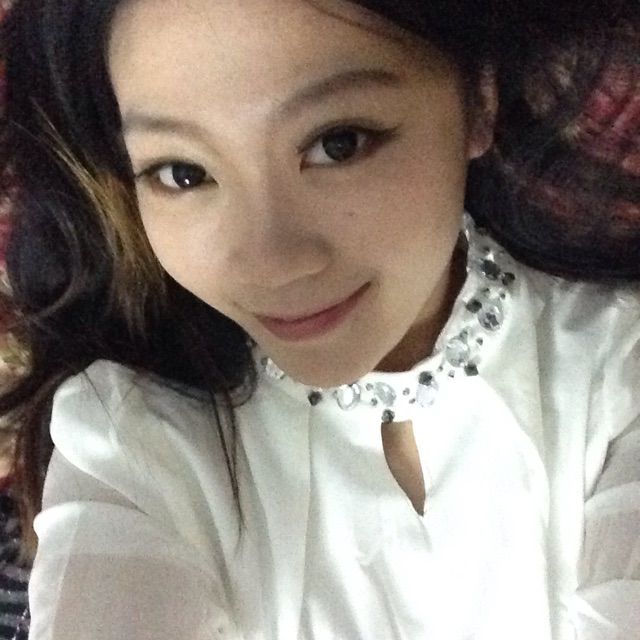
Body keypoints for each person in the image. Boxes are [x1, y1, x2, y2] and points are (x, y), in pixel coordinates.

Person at [0, 0, 639, 638]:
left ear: (479, 100)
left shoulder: (621, 370)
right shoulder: (130, 440)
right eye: (184, 173)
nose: (271, 266)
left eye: (339, 144)